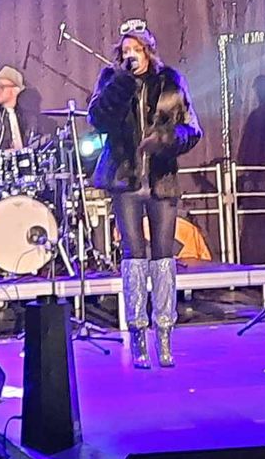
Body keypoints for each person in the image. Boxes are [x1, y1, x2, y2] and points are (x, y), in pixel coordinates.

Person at [87, 19, 202, 369]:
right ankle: (137, 331)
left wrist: (164, 140)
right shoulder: (111, 80)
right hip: (125, 178)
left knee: (163, 256)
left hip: (161, 178)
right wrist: (122, 81)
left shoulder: (171, 80)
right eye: (126, 50)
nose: (131, 55)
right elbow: (97, 119)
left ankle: (164, 331)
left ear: (149, 50)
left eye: (136, 49)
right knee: (133, 254)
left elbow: (191, 129)